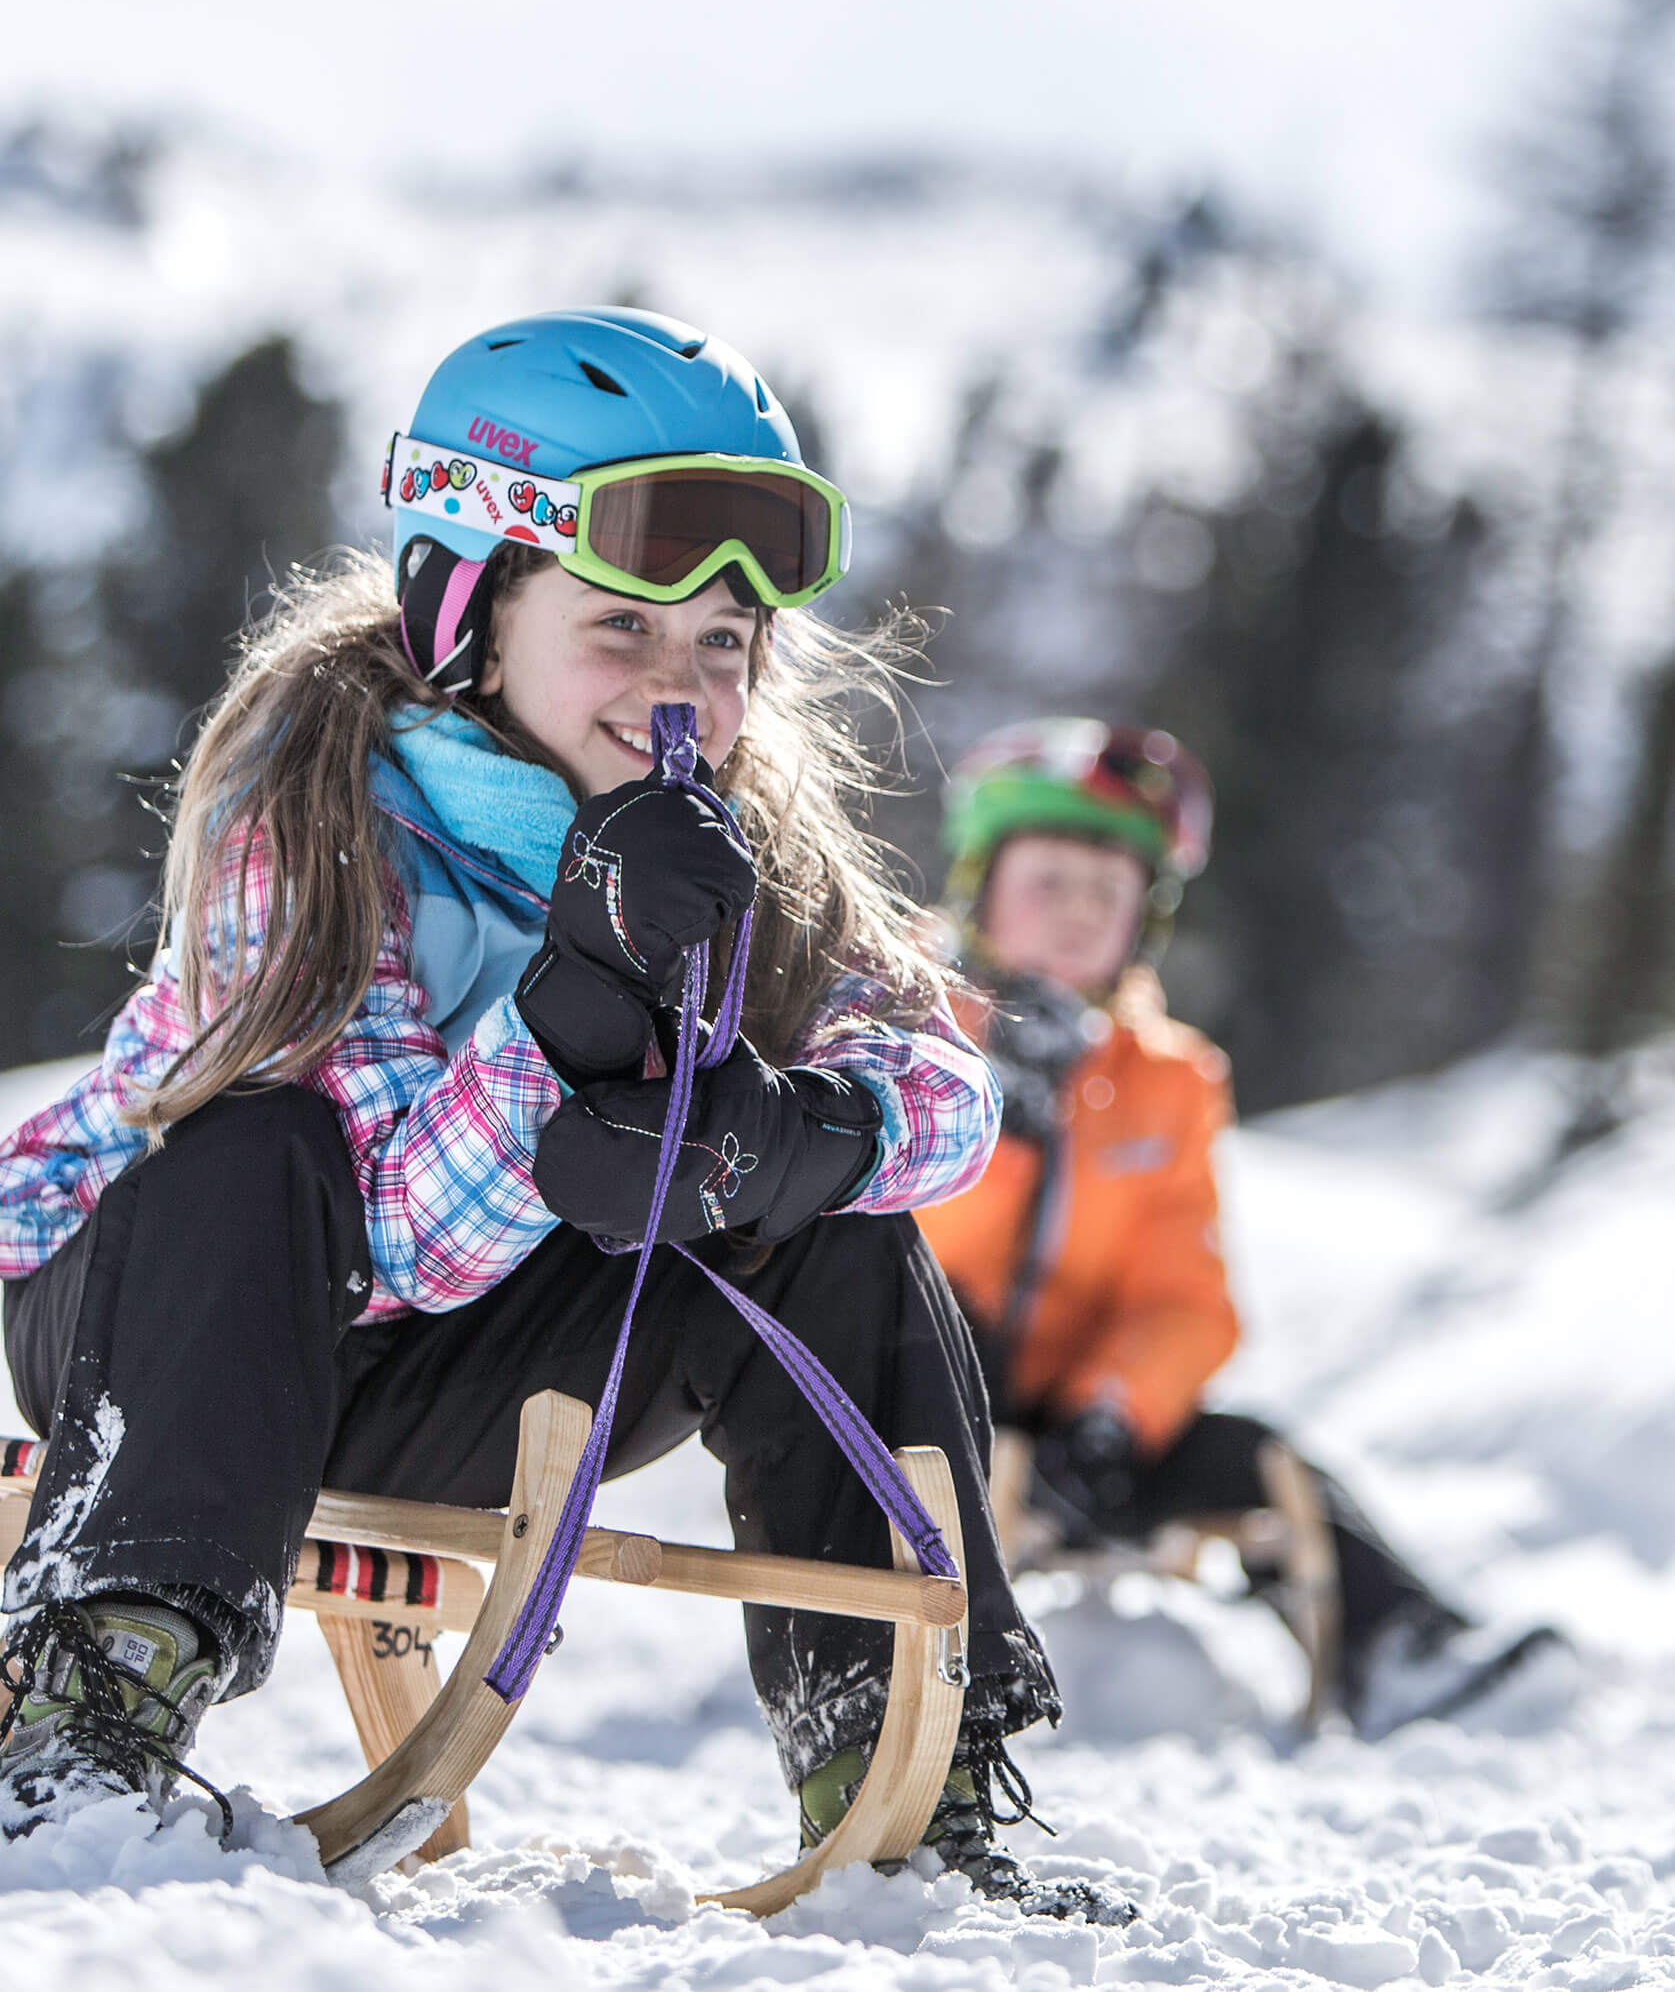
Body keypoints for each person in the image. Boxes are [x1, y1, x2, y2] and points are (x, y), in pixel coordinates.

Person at [0, 311, 1128, 1920]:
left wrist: (803, 1136)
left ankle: (905, 1765)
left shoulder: (740, 843)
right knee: (258, 1146)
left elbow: (939, 1074)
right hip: (167, 1325)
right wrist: (566, 1016)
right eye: (621, 630)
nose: (679, 686)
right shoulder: (311, 803)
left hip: (472, 1377)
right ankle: (99, 1694)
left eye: (723, 646)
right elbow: (375, 1236)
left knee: (841, 1239)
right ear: (465, 610)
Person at [914, 717, 1569, 1739]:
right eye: (1050, 882)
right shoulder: (899, 1025)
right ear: (980, 885)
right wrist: (1000, 1108)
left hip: (1074, 1429)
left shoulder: (1168, 1080)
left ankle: (1399, 1653)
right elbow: (891, 1240)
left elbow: (1186, 1295)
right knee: (917, 1311)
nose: (1081, 913)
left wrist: (1108, 1422)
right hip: (910, 1395)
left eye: (1110, 891)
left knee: (1251, 1456)